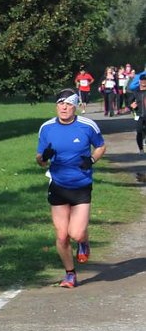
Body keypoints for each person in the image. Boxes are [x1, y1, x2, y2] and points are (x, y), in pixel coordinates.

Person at [36, 89, 107, 288]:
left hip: (81, 185)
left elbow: (101, 146)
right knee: (61, 235)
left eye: (68, 104)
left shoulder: (87, 125)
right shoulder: (47, 128)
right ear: (56, 106)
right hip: (58, 185)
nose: (64, 108)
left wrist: (92, 159)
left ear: (75, 106)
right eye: (60, 104)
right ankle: (70, 274)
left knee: (75, 233)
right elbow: (39, 159)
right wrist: (44, 157)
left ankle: (83, 241)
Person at [128, 73, 146, 153]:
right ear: (139, 81)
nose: (144, 82)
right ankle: (141, 149)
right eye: (142, 80)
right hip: (139, 115)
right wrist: (131, 106)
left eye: (145, 80)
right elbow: (129, 102)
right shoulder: (136, 92)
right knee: (139, 131)